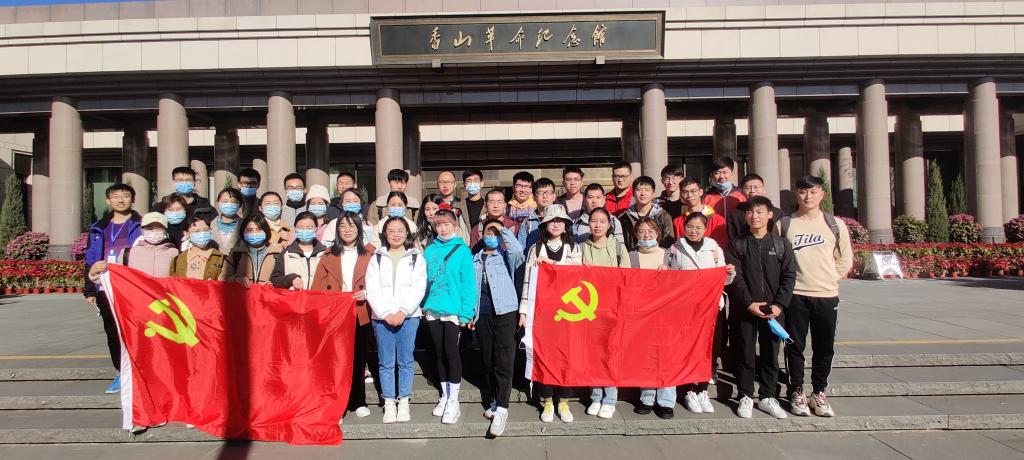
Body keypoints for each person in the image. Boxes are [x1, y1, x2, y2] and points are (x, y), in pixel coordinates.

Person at [780, 176, 853, 418]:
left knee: (824, 347)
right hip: (795, 295)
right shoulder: (785, 224)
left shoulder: (834, 224)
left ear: (822, 194)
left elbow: (845, 259)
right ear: (797, 194)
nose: (808, 196)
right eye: (803, 191)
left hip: (826, 295)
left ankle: (819, 392)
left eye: (813, 192)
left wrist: (830, 278)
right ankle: (797, 391)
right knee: (794, 346)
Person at [726, 196, 796, 420]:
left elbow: (789, 276)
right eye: (750, 212)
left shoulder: (781, 244)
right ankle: (745, 395)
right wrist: (748, 302)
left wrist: (779, 305)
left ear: (770, 214)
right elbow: (735, 277)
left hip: (773, 310)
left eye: (759, 212)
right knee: (745, 353)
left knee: (770, 355)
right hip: (744, 309)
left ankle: (768, 396)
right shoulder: (737, 243)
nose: (754, 216)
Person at [310, 212, 376, 420]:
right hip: (335, 314)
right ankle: (338, 403)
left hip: (360, 312)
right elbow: (318, 287)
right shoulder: (328, 255)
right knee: (336, 361)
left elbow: (379, 282)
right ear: (337, 230)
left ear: (359, 229)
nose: (347, 230)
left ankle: (359, 401)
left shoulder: (370, 254)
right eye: (343, 226)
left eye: (352, 226)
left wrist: (367, 293)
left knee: (358, 359)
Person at [519, 204, 580, 423]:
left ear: (566, 225)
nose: (555, 224)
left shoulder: (574, 248)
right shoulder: (535, 249)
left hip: (567, 312)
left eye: (559, 221)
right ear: (545, 225)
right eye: (551, 221)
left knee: (566, 357)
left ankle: (563, 400)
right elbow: (527, 281)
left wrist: (551, 264)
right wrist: (524, 311)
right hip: (541, 311)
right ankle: (546, 401)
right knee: (544, 356)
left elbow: (576, 277)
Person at [670, 212, 736, 415]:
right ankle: (690, 389)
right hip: (686, 308)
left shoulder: (714, 249)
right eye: (690, 227)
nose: (693, 231)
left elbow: (723, 279)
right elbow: (671, 277)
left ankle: (703, 389)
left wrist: (729, 274)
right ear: (684, 228)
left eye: (698, 227)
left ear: (705, 229)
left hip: (710, 306)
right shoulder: (675, 248)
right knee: (688, 348)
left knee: (709, 347)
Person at [365, 216, 427, 424]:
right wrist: (385, 313)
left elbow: (419, 287)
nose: (396, 234)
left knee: (406, 360)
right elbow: (372, 288)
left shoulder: (416, 257)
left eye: (400, 230)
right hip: (382, 318)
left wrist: (403, 311)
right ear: (385, 233)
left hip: (408, 317)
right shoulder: (377, 257)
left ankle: (404, 400)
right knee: (385, 361)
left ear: (407, 233)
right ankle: (389, 401)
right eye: (391, 230)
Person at [84, 183, 141, 394]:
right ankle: (120, 371)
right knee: (112, 331)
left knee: (136, 330)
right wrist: (90, 289)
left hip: (132, 286)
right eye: (115, 196)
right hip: (106, 285)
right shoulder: (98, 227)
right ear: (108, 200)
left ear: (133, 199)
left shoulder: (141, 224)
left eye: (125, 196)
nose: (120, 200)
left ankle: (139, 370)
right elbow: (90, 257)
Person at [422, 209, 476, 425]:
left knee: (451, 352)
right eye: (438, 225)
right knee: (438, 353)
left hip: (453, 310)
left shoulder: (462, 250)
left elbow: (468, 284)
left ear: (455, 225)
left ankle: (454, 399)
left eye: (446, 224)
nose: (442, 228)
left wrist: (466, 312)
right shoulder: (430, 249)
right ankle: (444, 394)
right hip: (432, 308)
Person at [471, 219, 525, 437]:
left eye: (495, 233)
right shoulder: (474, 258)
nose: (491, 235)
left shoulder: (505, 255)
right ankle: (493, 399)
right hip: (482, 314)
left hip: (506, 312)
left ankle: (502, 407)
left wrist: (501, 229)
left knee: (503, 360)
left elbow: (518, 251)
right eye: (488, 231)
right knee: (487, 360)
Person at [581, 207, 628, 419]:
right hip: (589, 309)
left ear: (609, 225)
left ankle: (610, 398)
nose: (597, 225)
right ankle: (596, 396)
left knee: (611, 353)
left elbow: (627, 278)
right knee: (593, 353)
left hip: (612, 308)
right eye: (594, 220)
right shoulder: (581, 247)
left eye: (602, 221)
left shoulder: (618, 247)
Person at [627, 217, 677, 419]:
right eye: (641, 232)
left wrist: (670, 273)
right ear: (635, 234)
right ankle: (647, 397)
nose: (646, 235)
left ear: (658, 233)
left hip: (666, 314)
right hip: (641, 314)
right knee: (645, 356)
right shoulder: (631, 256)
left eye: (650, 231)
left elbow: (681, 282)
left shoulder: (669, 255)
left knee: (666, 357)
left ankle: (666, 400)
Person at [270, 211, 328, 290]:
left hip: (317, 296)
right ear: (295, 229)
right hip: (294, 297)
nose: (305, 231)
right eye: (301, 228)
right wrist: (291, 278)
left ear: (316, 229)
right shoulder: (286, 254)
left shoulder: (326, 254)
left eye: (309, 228)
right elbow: (274, 280)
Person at [222, 213, 283, 287]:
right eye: (249, 230)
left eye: (259, 229)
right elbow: (222, 278)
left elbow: (284, 281)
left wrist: (273, 286)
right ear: (243, 232)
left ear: (266, 231)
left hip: (268, 294)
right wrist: (236, 279)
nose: (254, 233)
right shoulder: (236, 254)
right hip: (242, 294)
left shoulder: (277, 255)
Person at [618, 176, 675, 250]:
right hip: (632, 255)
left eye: (647, 190)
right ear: (633, 193)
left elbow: (669, 242)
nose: (643, 193)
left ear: (653, 194)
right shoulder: (624, 218)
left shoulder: (663, 216)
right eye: (638, 190)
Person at [673, 177, 728, 251]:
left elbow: (721, 247)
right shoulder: (677, 222)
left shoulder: (717, 220)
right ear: (681, 195)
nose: (689, 195)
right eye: (685, 192)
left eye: (693, 191)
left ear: (701, 192)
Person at [727, 173, 785, 242]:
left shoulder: (777, 213)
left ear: (763, 190)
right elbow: (732, 240)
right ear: (742, 191)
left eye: (756, 187)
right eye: (747, 188)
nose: (752, 191)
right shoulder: (734, 215)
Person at [169, 215, 227, 280]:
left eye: (205, 230)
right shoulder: (177, 260)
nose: (202, 234)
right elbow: (173, 283)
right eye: (196, 231)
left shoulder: (222, 259)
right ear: (186, 233)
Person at [517, 177, 559, 255]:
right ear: (533, 197)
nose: (545, 196)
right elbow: (521, 252)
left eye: (549, 192)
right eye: (540, 192)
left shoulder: (564, 220)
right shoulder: (527, 223)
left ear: (554, 196)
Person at [436, 170, 471, 235]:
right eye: (441, 182)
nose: (445, 185)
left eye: (449, 182)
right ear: (437, 185)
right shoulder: (433, 204)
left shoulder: (461, 205)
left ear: (455, 185)